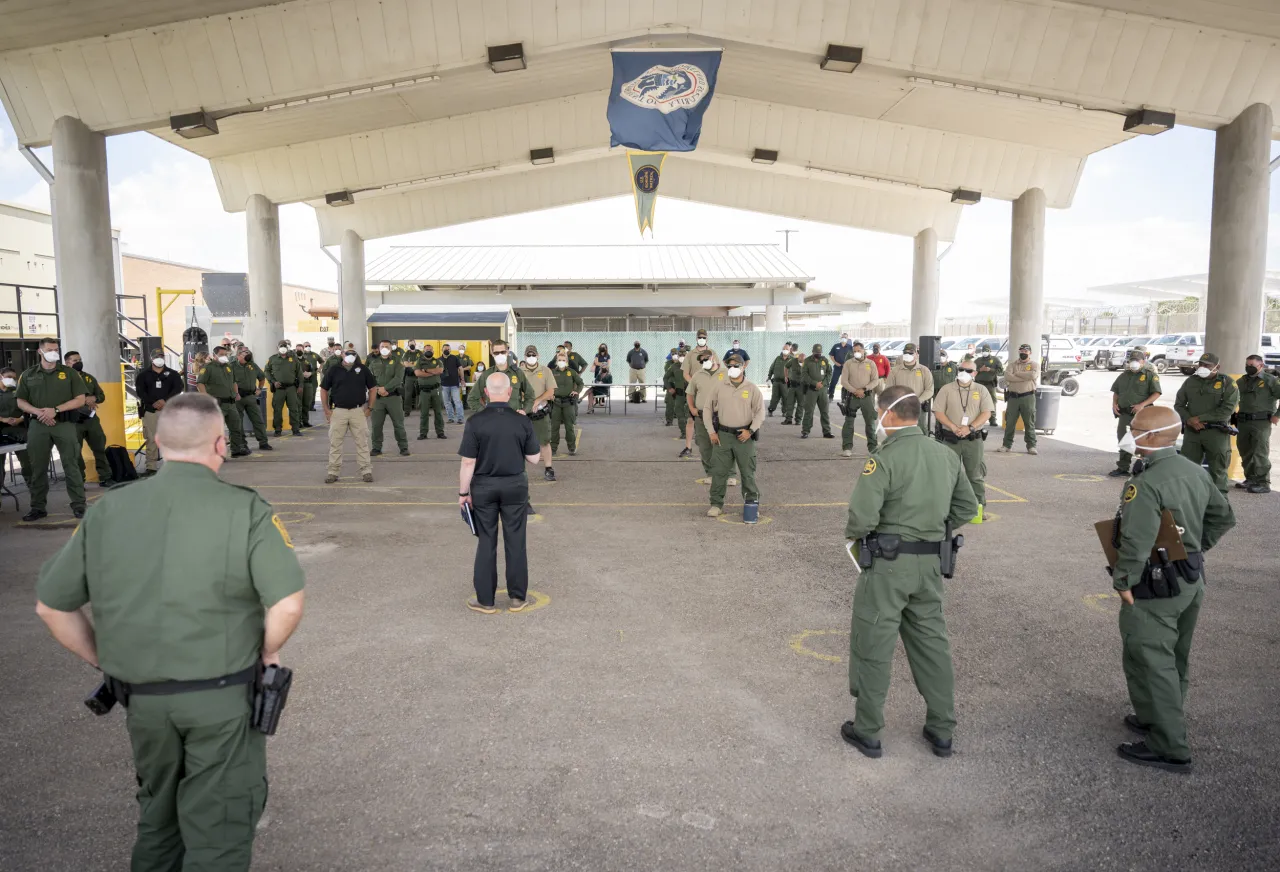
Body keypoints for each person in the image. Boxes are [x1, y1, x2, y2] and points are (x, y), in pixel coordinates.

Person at [34, 392, 306, 869]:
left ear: (158, 443)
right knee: (218, 829)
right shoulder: (245, 509)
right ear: (221, 444)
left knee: (158, 821)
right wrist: (266, 652)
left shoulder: (106, 511)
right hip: (222, 698)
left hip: (142, 699)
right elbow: (286, 602)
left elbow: (51, 607)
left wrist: (105, 658)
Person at [841, 386, 978, 759]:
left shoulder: (883, 457)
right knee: (932, 644)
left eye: (879, 414)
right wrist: (932, 528)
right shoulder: (945, 455)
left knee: (875, 642)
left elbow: (861, 518)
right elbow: (967, 505)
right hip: (931, 563)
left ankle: (868, 730)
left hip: (888, 566)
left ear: (888, 414)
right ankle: (942, 730)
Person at [1109, 405, 1235, 772]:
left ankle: (1170, 747)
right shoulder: (1193, 470)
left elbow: (1135, 541)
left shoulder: (1146, 482)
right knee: (1175, 656)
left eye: (1134, 429)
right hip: (1190, 578)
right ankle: (1156, 716)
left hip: (1155, 583)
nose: (1129, 433)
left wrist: (1123, 583)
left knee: (1150, 659)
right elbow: (1224, 517)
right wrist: (1193, 550)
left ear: (1150, 437)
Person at [458, 374, 543, 614]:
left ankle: (485, 600)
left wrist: (463, 492)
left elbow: (467, 463)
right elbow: (535, 459)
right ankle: (517, 598)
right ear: (509, 393)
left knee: (486, 540)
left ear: (485, 393)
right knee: (516, 540)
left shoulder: (475, 422)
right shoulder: (522, 421)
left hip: (483, 488)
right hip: (515, 487)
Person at [16, 338, 88, 521]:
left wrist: (55, 410)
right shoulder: (28, 375)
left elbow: (80, 399)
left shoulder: (70, 373)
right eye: (50, 349)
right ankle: (37, 507)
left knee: (71, 465)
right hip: (38, 425)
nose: (54, 352)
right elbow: (20, 401)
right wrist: (39, 413)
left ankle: (79, 505)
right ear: (40, 351)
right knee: (37, 467)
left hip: (64, 425)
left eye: (56, 349)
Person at [932, 356, 993, 523]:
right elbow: (938, 412)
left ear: (974, 373)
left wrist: (970, 428)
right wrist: (953, 427)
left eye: (967, 371)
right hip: (950, 439)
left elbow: (987, 412)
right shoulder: (946, 389)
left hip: (973, 439)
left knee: (975, 476)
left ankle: (979, 508)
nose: (963, 373)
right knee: (947, 475)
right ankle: (945, 510)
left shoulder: (981, 390)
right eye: (960, 370)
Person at [704, 352, 764, 518]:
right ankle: (716, 504)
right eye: (729, 366)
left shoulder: (752, 388)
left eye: (736, 366)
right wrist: (711, 431)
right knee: (719, 472)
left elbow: (760, 413)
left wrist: (750, 431)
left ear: (743, 367)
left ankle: (751, 503)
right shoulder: (719, 386)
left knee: (747, 473)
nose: (732, 369)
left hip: (744, 436)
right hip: (723, 435)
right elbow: (707, 408)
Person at [1173, 352, 1238, 494]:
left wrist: (1199, 418)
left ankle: (1219, 507)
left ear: (1217, 367)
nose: (1202, 367)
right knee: (1187, 468)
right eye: (1200, 364)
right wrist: (1190, 419)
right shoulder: (1191, 381)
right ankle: (1188, 502)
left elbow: (1227, 409)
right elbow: (1179, 405)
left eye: (1207, 365)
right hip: (1192, 432)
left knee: (1218, 471)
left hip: (1216, 433)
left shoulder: (1227, 383)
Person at [321, 346, 377, 483]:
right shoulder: (333, 369)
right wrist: (326, 410)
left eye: (353, 353)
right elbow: (323, 389)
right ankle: (333, 471)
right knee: (335, 442)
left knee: (362, 442)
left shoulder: (363, 369)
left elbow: (373, 388)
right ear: (342, 355)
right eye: (348, 353)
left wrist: (369, 407)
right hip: (338, 411)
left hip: (358, 411)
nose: (350, 355)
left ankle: (366, 471)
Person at [1108, 346, 1161, 477]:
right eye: (1132, 360)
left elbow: (1156, 393)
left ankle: (1144, 468)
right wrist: (1114, 404)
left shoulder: (1150, 375)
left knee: (1143, 441)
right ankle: (1123, 467)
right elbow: (1116, 391)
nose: (1134, 362)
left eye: (1137, 360)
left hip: (1141, 415)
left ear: (1143, 361)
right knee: (1124, 440)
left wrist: (1142, 405)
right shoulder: (1124, 375)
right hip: (1125, 414)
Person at [63, 351, 113, 488]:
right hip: (73, 421)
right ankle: (79, 480)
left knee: (99, 448)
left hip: (91, 420)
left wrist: (94, 398)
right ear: (67, 363)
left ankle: (105, 477)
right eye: (74, 360)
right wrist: (83, 400)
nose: (78, 362)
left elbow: (101, 395)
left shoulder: (89, 378)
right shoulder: (62, 379)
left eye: (79, 359)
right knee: (75, 452)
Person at [688, 349, 735, 488]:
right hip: (702, 415)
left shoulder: (727, 373)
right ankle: (710, 473)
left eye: (706, 358)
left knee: (726, 445)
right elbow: (690, 393)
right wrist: (692, 409)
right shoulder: (697, 375)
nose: (704, 362)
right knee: (705, 446)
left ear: (713, 357)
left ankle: (730, 474)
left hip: (722, 415)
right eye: (701, 360)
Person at [1235, 353, 1280, 494]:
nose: (1248, 368)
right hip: (1243, 421)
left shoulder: (1270, 380)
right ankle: (1251, 478)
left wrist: (1277, 415)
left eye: (1252, 366)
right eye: (1247, 365)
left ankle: (1263, 482)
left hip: (1261, 422)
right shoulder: (1242, 381)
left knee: (1260, 452)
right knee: (1245, 450)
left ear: (1261, 365)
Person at [135, 351, 185, 475]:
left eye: (161, 357)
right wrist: (153, 402)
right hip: (150, 411)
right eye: (157, 357)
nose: (159, 359)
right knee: (151, 439)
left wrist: (165, 401)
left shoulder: (172, 374)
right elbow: (141, 392)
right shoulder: (143, 375)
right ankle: (151, 466)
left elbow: (178, 388)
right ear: (151, 359)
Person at [196, 344, 248, 457]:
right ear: (214, 355)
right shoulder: (208, 368)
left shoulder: (228, 367)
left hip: (231, 403)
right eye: (221, 355)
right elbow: (200, 383)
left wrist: (236, 393)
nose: (224, 357)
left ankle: (236, 449)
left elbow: (234, 382)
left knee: (236, 427)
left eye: (225, 355)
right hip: (217, 404)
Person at [367, 339, 411, 457]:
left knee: (398, 424)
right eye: (382, 346)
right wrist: (377, 389)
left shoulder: (398, 362)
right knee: (376, 425)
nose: (384, 348)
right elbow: (369, 380)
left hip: (393, 398)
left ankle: (403, 447)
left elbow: (398, 378)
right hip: (378, 400)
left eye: (387, 346)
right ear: (379, 348)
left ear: (391, 348)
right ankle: (376, 448)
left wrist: (385, 388)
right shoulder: (373, 363)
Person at [520, 345, 557, 479]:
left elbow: (551, 391)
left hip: (541, 412)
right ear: (525, 357)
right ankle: (519, 470)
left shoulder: (546, 371)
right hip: (524, 413)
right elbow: (517, 391)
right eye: (528, 355)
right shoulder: (519, 372)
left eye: (533, 355)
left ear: (538, 356)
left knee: (544, 442)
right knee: (519, 442)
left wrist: (537, 401)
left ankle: (548, 468)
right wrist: (530, 402)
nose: (531, 358)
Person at [839, 341, 881, 457]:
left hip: (867, 397)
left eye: (859, 351)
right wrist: (855, 391)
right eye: (854, 351)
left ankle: (873, 448)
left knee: (870, 423)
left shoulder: (871, 363)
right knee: (849, 423)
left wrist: (864, 389)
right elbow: (844, 381)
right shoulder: (848, 363)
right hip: (852, 397)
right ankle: (847, 447)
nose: (856, 353)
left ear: (863, 351)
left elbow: (875, 380)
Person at [469, 340, 534, 415]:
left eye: (502, 352)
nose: (500, 355)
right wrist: (484, 413)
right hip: (493, 420)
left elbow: (530, 396)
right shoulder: (486, 374)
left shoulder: (517, 373)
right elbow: (472, 398)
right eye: (496, 353)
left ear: (507, 352)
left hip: (513, 419)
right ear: (492, 354)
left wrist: (524, 411)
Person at [997, 343, 1039, 455]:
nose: (1023, 353)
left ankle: (1031, 446)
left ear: (1030, 352)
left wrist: (1017, 375)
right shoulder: (1012, 365)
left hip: (1028, 397)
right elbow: (1007, 376)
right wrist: (1024, 376)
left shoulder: (1034, 364)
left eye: (1025, 351)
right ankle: (1006, 445)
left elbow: (1032, 376)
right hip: (1013, 397)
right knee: (1010, 422)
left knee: (1029, 422)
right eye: (1021, 351)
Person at [883, 342, 934, 434]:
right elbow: (889, 390)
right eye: (905, 353)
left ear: (916, 354)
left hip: (918, 408)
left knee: (920, 432)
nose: (907, 355)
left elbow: (929, 390)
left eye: (910, 353)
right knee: (901, 433)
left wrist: (918, 400)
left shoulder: (924, 370)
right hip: (900, 409)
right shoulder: (895, 371)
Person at [231, 346, 273, 454]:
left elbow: (262, 377)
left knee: (258, 420)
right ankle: (241, 445)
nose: (248, 355)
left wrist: (259, 388)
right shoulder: (231, 366)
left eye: (248, 353)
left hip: (250, 397)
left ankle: (263, 442)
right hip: (237, 397)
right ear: (238, 355)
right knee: (237, 422)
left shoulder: (252, 365)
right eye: (245, 353)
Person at [0, 366, 32, 483]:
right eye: (9, 377)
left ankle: (34, 489)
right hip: (1, 429)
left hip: (18, 428)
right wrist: (3, 419)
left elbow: (29, 409)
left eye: (14, 378)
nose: (11, 380)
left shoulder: (19, 391)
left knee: (28, 461)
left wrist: (20, 419)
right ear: (1, 377)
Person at [264, 340, 303, 437]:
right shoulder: (272, 359)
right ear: (277, 347)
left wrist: (301, 385)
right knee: (277, 409)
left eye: (285, 345)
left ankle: (295, 429)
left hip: (291, 388)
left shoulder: (293, 359)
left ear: (288, 347)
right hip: (279, 389)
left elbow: (299, 373)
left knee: (294, 409)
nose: (283, 347)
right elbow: (267, 371)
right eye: (281, 345)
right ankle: (277, 429)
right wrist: (273, 382)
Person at [550, 350, 583, 460]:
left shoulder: (572, 372)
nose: (561, 362)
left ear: (567, 361)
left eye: (563, 360)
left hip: (568, 403)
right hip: (556, 403)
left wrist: (577, 391)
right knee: (554, 427)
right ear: (556, 361)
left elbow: (580, 383)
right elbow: (547, 385)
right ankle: (553, 448)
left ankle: (572, 448)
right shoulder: (552, 373)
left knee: (569, 427)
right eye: (559, 360)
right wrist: (550, 394)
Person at [801, 343, 835, 439]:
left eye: (819, 353)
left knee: (825, 411)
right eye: (816, 352)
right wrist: (814, 383)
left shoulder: (824, 360)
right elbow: (804, 375)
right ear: (812, 352)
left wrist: (823, 383)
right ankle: (805, 431)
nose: (818, 354)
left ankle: (827, 431)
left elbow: (829, 373)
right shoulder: (807, 361)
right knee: (809, 412)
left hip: (822, 390)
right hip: (811, 390)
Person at [413, 344, 447, 440]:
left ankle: (440, 432)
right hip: (424, 391)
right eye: (427, 350)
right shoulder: (419, 361)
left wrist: (426, 370)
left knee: (438, 412)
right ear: (423, 351)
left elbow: (440, 370)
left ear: (433, 351)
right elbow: (417, 373)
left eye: (430, 350)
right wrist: (432, 372)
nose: (429, 351)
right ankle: (423, 433)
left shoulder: (438, 361)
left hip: (436, 390)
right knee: (424, 413)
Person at [665, 347, 694, 458]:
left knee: (691, 415)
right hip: (680, 394)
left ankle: (694, 435)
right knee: (680, 413)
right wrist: (669, 388)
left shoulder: (692, 367)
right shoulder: (674, 367)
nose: (682, 356)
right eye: (680, 354)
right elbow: (665, 378)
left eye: (684, 354)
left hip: (690, 394)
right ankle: (683, 433)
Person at [440, 344, 465, 424]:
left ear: (450, 350)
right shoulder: (438, 360)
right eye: (445, 348)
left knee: (457, 401)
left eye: (448, 349)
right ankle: (450, 418)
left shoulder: (455, 358)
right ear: (442, 350)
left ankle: (460, 418)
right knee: (447, 403)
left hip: (454, 384)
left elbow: (461, 369)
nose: (447, 350)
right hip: (443, 384)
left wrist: (462, 379)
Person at [766, 343, 792, 421]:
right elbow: (771, 368)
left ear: (789, 350)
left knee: (786, 398)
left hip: (786, 383)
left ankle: (784, 411)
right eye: (784, 349)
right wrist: (769, 377)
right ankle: (771, 410)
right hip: (776, 382)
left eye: (787, 349)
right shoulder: (777, 358)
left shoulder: (792, 360)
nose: (785, 350)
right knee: (774, 397)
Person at [298, 341, 320, 428]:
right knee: (298, 404)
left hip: (307, 383)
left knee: (306, 403)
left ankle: (305, 421)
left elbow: (313, 369)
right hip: (298, 384)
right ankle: (298, 422)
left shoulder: (307, 360)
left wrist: (310, 373)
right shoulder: (293, 360)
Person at [974, 343, 1003, 408]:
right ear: (982, 351)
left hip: (990, 385)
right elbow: (971, 372)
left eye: (987, 350)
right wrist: (980, 370)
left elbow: (1001, 371)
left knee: (992, 402)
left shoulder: (995, 360)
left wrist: (990, 370)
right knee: (977, 403)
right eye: (984, 350)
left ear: (990, 351)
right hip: (979, 385)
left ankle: (992, 418)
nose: (985, 352)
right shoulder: (977, 361)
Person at [828, 333, 853, 400]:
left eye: (845, 337)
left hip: (846, 368)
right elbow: (831, 355)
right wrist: (835, 362)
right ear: (841, 338)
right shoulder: (836, 346)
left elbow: (852, 358)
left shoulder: (850, 347)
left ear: (847, 339)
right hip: (837, 367)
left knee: (845, 382)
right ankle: (831, 394)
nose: (844, 338)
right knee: (834, 381)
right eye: (843, 337)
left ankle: (844, 397)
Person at [401, 341, 421, 415]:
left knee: (421, 393)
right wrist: (415, 363)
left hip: (419, 376)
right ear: (408, 345)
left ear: (415, 344)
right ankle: (407, 411)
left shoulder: (420, 353)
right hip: (409, 376)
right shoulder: (406, 353)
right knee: (408, 393)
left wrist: (411, 364)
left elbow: (421, 362)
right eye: (410, 344)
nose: (412, 345)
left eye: (413, 344)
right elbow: (406, 364)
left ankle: (422, 409)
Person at [663, 348, 679, 425]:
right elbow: (668, 374)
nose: (675, 355)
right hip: (671, 385)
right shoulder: (668, 364)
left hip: (680, 385)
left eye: (676, 353)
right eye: (673, 354)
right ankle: (669, 420)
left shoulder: (683, 363)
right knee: (670, 404)